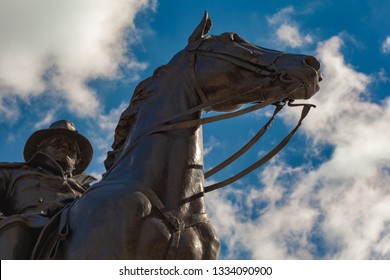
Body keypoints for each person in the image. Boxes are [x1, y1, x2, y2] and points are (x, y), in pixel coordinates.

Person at [0, 120, 96, 259]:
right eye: (57, 142)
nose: (64, 146)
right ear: (41, 148)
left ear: (77, 161)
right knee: (17, 228)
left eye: (70, 146)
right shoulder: (13, 172)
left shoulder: (87, 191)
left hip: (79, 231)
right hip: (30, 229)